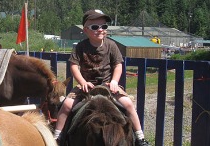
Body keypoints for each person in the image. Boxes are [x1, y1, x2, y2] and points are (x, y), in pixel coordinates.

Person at [53, 9, 149, 146]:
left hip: (108, 85)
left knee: (128, 104)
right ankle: (58, 137)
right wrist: (82, 82)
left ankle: (140, 137)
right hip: (86, 86)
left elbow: (118, 65)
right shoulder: (80, 47)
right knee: (67, 106)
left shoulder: (111, 45)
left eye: (104, 26)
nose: (100, 30)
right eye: (95, 27)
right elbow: (74, 66)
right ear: (85, 30)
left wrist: (115, 81)